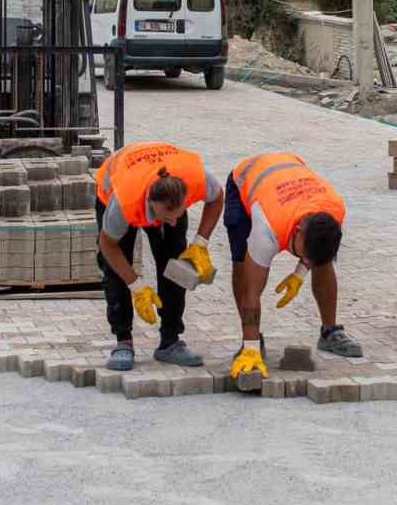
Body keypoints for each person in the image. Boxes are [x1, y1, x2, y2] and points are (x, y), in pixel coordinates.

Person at [224, 150, 362, 380]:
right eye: (304, 255)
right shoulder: (267, 227)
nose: (307, 260)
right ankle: (252, 342)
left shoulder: (334, 209)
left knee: (324, 261)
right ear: (296, 233)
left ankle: (330, 333)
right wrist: (250, 346)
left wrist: (301, 270)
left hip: (290, 170)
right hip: (246, 180)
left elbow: (317, 254)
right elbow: (251, 292)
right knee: (242, 265)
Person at [95, 141, 224, 372]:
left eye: (180, 214)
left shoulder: (194, 178)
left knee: (177, 266)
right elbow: (108, 244)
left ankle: (170, 342)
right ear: (151, 205)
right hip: (117, 185)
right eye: (168, 217)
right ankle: (123, 341)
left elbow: (217, 197)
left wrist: (200, 243)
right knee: (115, 271)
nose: (174, 222)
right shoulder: (125, 201)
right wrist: (136, 285)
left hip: (160, 179)